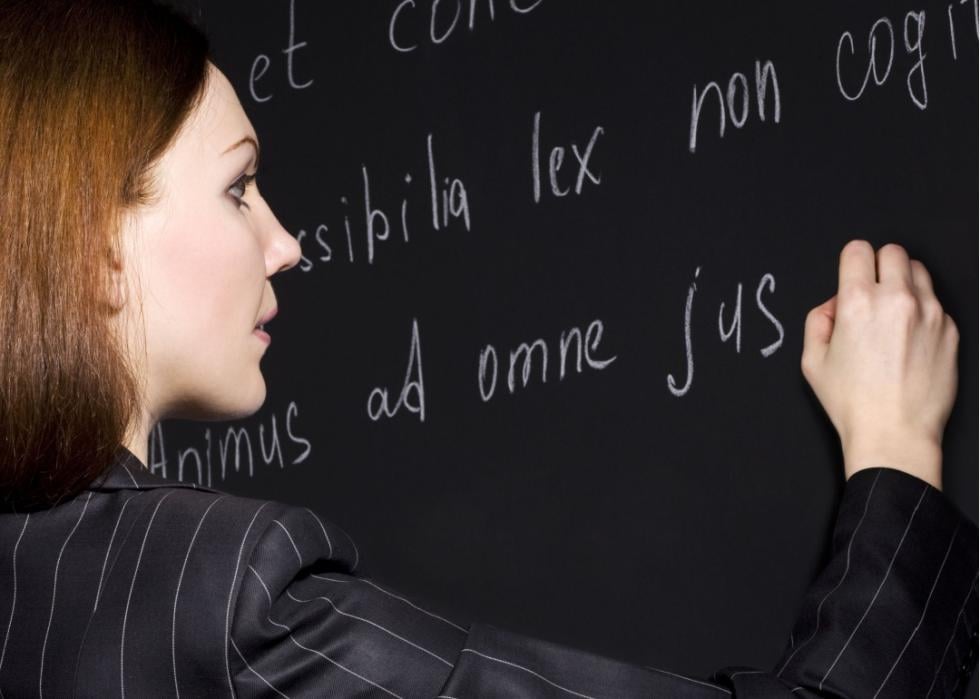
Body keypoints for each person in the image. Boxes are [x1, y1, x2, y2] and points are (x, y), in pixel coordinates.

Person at [0, 1, 976, 696]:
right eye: (237, 188)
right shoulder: (225, 597)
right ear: (94, 247)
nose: (285, 243)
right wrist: (895, 449)